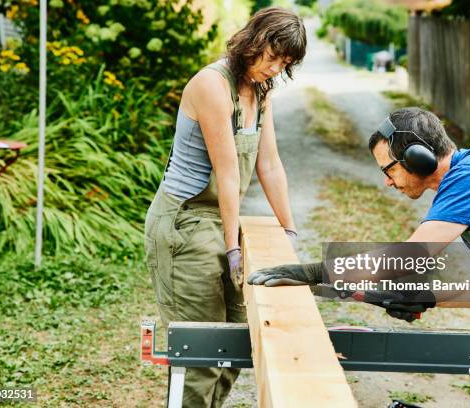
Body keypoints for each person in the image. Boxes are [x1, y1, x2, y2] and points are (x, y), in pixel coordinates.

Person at [248, 107, 470, 407]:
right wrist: (426, 297)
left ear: (419, 158)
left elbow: (410, 255)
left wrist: (316, 272)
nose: (388, 182)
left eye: (388, 169)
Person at [144, 7, 306, 408]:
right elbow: (228, 172)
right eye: (271, 55)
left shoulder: (262, 91)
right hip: (184, 223)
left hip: (220, 217)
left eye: (284, 63)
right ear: (252, 40)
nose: (274, 68)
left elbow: (269, 164)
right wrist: (232, 247)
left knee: (237, 342)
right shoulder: (211, 85)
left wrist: (289, 233)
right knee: (202, 352)